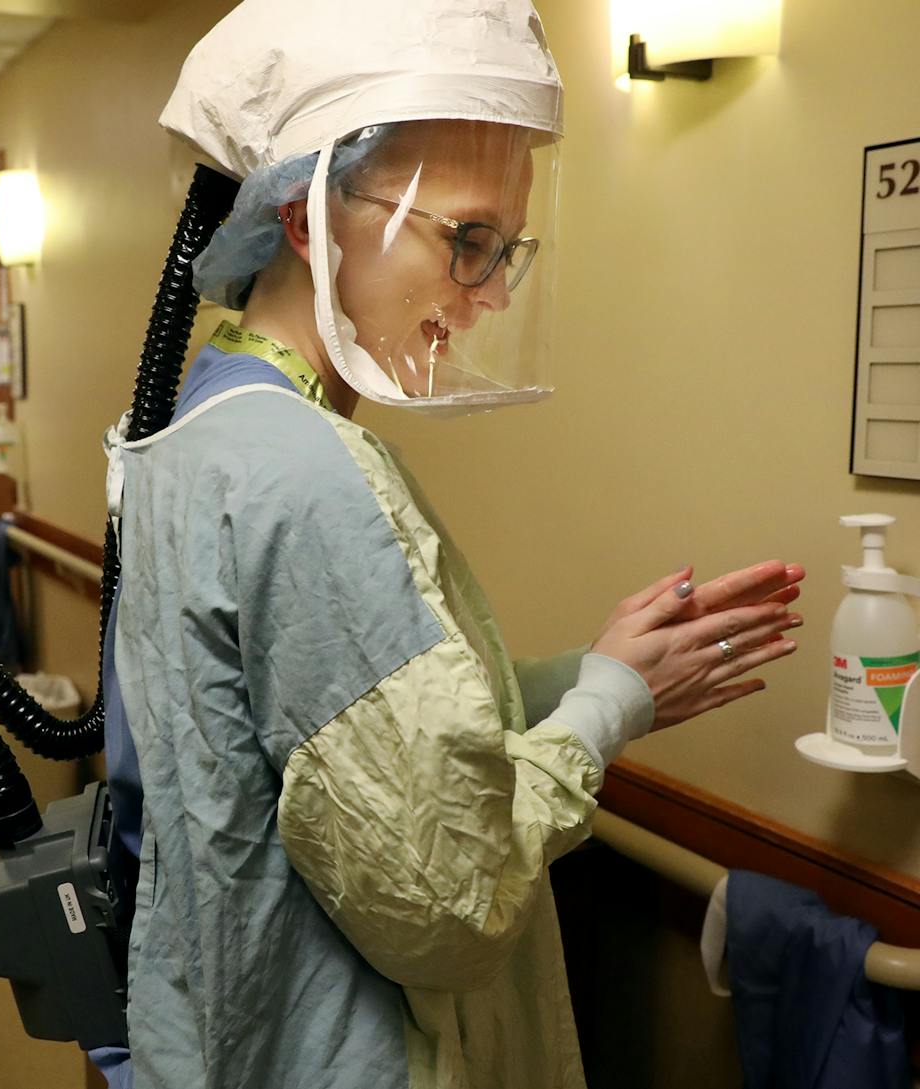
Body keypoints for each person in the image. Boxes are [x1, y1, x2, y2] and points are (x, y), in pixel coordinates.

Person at [92, 3, 807, 1088]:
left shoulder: (214, 419)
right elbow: (447, 903)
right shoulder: (305, 471)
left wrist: (608, 670)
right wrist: (605, 709)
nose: (485, 297)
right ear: (304, 213)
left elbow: (331, 736)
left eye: (505, 250)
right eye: (464, 241)